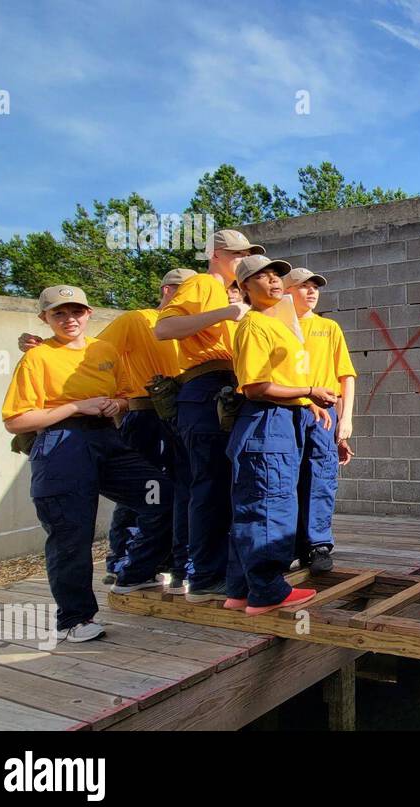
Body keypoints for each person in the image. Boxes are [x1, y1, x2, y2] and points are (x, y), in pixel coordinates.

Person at [1, 285, 171, 642]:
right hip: (61, 444)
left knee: (162, 495)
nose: (69, 319)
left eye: (76, 311)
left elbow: (126, 395)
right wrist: (76, 407)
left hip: (107, 440)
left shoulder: (104, 350)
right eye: (59, 313)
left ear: (89, 313)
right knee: (70, 534)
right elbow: (16, 421)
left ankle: (136, 569)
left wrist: (116, 405)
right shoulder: (37, 357)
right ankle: (74, 620)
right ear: (44, 318)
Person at [20, 268, 193, 590]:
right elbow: (82, 348)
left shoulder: (195, 325)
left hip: (176, 416)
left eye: (77, 311)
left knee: (165, 493)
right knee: (129, 499)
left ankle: (153, 563)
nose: (193, 297)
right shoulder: (136, 320)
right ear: (167, 290)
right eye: (185, 290)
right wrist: (41, 345)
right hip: (142, 416)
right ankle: (119, 562)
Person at [226, 255, 337, 614]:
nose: (273, 282)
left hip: (282, 418)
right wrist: (310, 390)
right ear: (244, 287)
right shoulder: (255, 325)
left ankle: (241, 590)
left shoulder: (277, 325)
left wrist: (307, 401)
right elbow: (256, 386)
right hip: (267, 421)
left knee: (255, 506)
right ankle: (268, 592)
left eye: (276, 275)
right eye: (261, 277)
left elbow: (281, 381)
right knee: (271, 505)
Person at [153, 229, 257, 603]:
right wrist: (227, 312)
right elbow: (163, 328)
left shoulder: (229, 293)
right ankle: (204, 577)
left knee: (218, 482)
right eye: (236, 254)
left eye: (248, 254)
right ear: (215, 254)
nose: (243, 260)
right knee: (209, 484)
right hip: (205, 386)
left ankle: (209, 571)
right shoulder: (201, 284)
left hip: (225, 386)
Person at [283, 267, 356, 574]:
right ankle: (288, 545)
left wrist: (346, 421)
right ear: (286, 291)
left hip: (324, 414)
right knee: (284, 479)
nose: (312, 291)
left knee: (320, 476)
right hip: (284, 410)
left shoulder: (328, 328)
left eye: (315, 287)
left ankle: (318, 545)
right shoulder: (275, 327)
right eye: (303, 286)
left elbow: (345, 376)